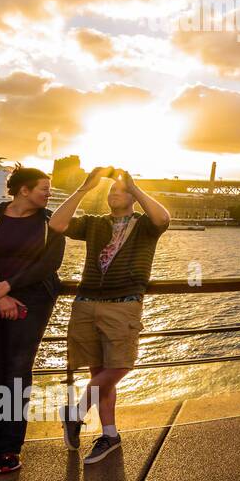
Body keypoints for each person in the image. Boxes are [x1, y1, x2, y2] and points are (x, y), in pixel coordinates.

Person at [51, 167, 169, 465]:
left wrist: (136, 187)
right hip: (87, 301)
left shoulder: (145, 226)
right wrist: (83, 188)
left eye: (120, 191)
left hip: (123, 303)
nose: (114, 195)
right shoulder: (94, 224)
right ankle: (110, 435)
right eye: (111, 191)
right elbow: (57, 224)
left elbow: (163, 218)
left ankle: (76, 412)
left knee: (120, 365)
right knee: (100, 375)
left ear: (132, 197)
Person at [0, 166, 65, 474]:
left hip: (33, 300)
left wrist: (9, 287)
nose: (48, 194)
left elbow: (49, 264)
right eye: (44, 189)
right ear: (23, 190)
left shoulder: (51, 223)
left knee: (16, 369)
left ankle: (8, 447)